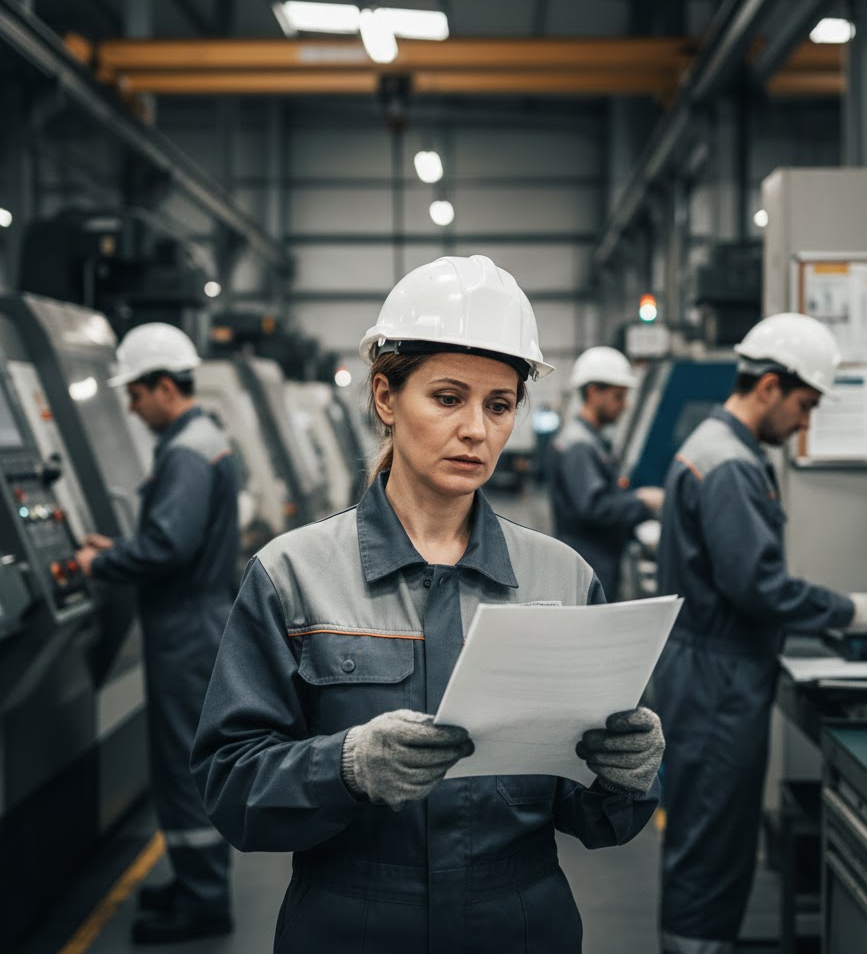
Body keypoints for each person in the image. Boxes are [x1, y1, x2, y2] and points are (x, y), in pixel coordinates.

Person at [190, 255, 665, 954]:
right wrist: (345, 767)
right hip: (351, 923)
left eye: (498, 405)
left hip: (519, 924)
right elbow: (232, 787)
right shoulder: (293, 575)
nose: (476, 429)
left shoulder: (561, 578)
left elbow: (594, 814)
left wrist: (628, 776)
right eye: (448, 398)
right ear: (386, 397)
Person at [652, 312, 867, 954]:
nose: (805, 422)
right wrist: (854, 611)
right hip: (718, 681)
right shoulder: (732, 465)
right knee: (712, 838)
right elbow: (758, 586)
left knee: (707, 833)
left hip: (709, 669)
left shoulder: (712, 445)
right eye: (804, 404)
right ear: (769, 386)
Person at [75, 323, 239, 945]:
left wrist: (102, 563)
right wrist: (121, 547)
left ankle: (202, 902)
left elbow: (169, 547)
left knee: (181, 764)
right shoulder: (204, 440)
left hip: (185, 628)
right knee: (185, 759)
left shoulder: (185, 451)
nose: (132, 408)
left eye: (135, 394)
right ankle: (195, 882)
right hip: (196, 618)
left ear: (164, 387)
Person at [548, 345, 664, 601]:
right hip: (589, 564)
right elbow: (594, 508)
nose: (624, 406)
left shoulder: (592, 441)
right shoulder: (579, 446)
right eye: (618, 396)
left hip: (597, 561)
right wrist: (642, 502)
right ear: (593, 392)